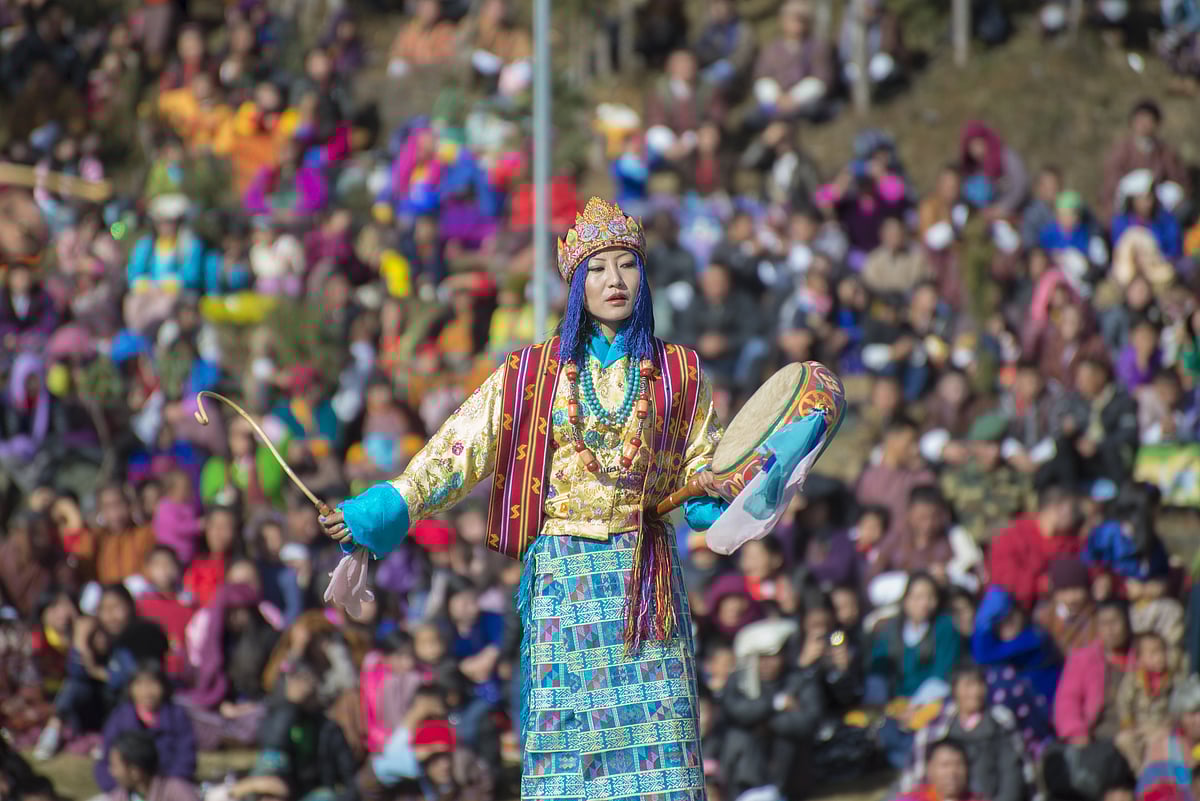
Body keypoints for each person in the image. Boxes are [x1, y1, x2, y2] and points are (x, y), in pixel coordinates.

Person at [322, 197, 761, 801]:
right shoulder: (530, 374)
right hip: (565, 584)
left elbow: (700, 475)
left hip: (646, 584)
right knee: (567, 758)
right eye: (599, 267)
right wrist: (375, 512)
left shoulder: (679, 372)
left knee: (657, 757)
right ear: (577, 284)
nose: (615, 280)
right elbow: (457, 453)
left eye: (627, 265)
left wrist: (722, 497)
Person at [106, 730, 200, 801]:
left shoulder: (176, 791)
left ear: (135, 771)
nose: (111, 772)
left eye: (115, 766)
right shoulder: (120, 796)